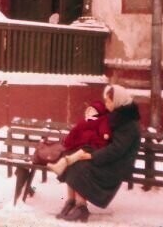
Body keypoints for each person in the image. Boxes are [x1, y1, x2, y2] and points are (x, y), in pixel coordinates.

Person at [53, 84, 141, 223]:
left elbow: (116, 149)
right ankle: (71, 201)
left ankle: (81, 208)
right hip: (109, 158)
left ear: (117, 101)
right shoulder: (117, 116)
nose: (106, 104)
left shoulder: (128, 123)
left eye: (108, 101)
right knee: (72, 161)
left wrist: (93, 156)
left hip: (117, 165)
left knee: (80, 166)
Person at [46, 100, 111, 176]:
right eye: (89, 110)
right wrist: (68, 141)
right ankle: (61, 165)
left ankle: (65, 162)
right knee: (71, 153)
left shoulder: (101, 120)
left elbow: (104, 128)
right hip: (80, 145)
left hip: (92, 147)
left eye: (93, 110)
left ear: (98, 112)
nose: (91, 112)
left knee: (81, 153)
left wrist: (105, 134)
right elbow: (75, 131)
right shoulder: (84, 121)